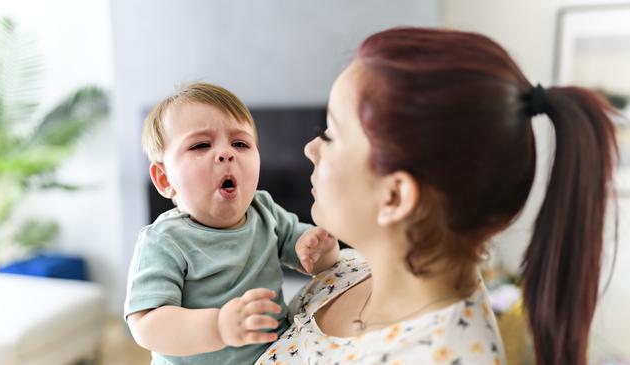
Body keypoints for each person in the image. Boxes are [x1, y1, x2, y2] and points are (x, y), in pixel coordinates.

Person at [256, 27, 618, 365]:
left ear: (395, 197)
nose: (309, 148)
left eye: (330, 133)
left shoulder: (440, 355)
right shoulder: (350, 270)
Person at [124, 82, 339, 365]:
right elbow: (146, 326)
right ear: (165, 180)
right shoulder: (165, 240)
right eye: (201, 145)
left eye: (240, 143)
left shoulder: (265, 211)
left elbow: (315, 262)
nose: (227, 154)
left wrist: (322, 249)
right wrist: (218, 326)